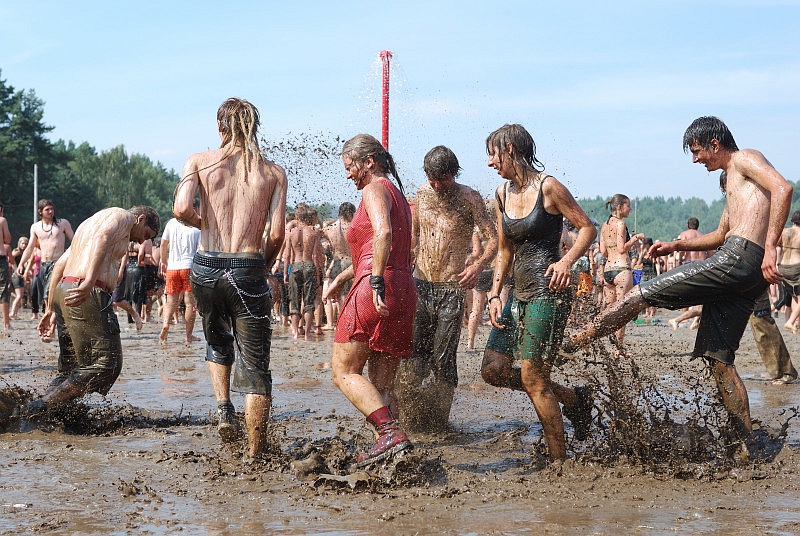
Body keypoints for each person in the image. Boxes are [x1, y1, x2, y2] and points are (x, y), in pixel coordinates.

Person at [564, 116, 793, 440]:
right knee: (718, 359)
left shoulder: (745, 158)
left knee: (640, 294)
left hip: (740, 257)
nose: (696, 159)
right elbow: (721, 233)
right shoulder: (732, 181)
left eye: (698, 151)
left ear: (715, 144)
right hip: (745, 269)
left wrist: (770, 246)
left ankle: (572, 341)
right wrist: (677, 244)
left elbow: (784, 188)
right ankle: (743, 442)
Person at [173, 97, 287, 462]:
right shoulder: (273, 172)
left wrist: (204, 223)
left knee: (217, 337)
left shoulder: (198, 161)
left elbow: (179, 210)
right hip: (248, 266)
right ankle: (255, 455)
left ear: (220, 128)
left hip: (205, 266)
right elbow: (277, 233)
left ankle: (224, 407)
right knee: (255, 365)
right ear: (254, 129)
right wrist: (262, 267)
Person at [480, 124, 597, 461]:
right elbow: (504, 250)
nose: (490, 163)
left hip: (549, 292)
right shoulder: (501, 195)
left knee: (533, 378)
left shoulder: (549, 188)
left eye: (493, 154)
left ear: (511, 150)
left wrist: (567, 262)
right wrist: (493, 294)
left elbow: (588, 227)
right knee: (493, 370)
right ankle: (573, 399)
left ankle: (559, 460)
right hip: (518, 295)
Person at [4, 206, 159, 421]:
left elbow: (61, 263)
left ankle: (45, 414)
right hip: (87, 292)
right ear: (140, 219)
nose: (143, 242)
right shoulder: (124, 217)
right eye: (146, 235)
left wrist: (51, 307)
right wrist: (88, 282)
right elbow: (103, 238)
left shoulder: (89, 223)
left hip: (65, 289)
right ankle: (31, 410)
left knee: (71, 367)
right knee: (107, 363)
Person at [323, 134, 416, 467]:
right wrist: (338, 278)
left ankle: (389, 432)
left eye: (350, 167)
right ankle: (393, 452)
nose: (349, 175)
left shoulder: (374, 188)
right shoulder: (400, 197)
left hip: (375, 287)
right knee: (382, 382)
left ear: (369, 162)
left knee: (343, 370)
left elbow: (383, 235)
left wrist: (374, 281)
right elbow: (377, 247)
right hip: (403, 288)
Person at [395, 145, 498, 432]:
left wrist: (477, 266)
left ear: (454, 173)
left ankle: (439, 421)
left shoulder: (470, 198)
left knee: (443, 358)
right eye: (433, 179)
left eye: (443, 179)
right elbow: (414, 234)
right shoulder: (422, 194)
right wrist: (408, 258)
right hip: (422, 285)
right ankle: (411, 420)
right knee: (413, 356)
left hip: (452, 289)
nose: (438, 186)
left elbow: (494, 239)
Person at [599, 194, 644, 355]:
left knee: (609, 311)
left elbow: (602, 251)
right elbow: (621, 248)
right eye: (628, 206)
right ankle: (618, 348)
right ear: (619, 207)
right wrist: (636, 238)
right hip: (621, 269)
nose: (630, 209)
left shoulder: (604, 226)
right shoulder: (620, 224)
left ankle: (591, 337)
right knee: (622, 312)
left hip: (608, 271)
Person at [17, 199, 74, 312]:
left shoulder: (63, 223)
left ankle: (49, 320)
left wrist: (68, 256)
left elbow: (75, 241)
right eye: (47, 209)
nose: (50, 211)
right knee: (44, 296)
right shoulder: (36, 227)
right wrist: (21, 264)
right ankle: (51, 318)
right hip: (43, 265)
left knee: (48, 293)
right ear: (40, 212)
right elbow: (30, 248)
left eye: (52, 209)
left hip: (57, 263)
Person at [158, 203, 201, 346]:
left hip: (172, 268)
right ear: (194, 210)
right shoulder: (197, 228)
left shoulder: (171, 223)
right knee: (190, 304)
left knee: (171, 301)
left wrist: (163, 262)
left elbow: (163, 244)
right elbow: (200, 251)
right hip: (189, 267)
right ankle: (188, 336)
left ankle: (165, 325)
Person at [283, 203, 321, 340]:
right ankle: (306, 334)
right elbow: (316, 256)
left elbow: (287, 255)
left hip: (296, 266)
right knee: (309, 302)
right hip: (309, 265)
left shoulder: (291, 233)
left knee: (295, 302)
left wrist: (285, 273)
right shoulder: (313, 232)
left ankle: (295, 333)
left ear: (297, 217)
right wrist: (318, 274)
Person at [667, 218, 707, 331]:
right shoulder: (703, 236)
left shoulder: (684, 234)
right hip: (702, 265)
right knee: (702, 294)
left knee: (686, 291)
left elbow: (682, 248)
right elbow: (709, 253)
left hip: (689, 264)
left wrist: (679, 260)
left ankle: (684, 318)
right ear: (697, 226)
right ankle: (694, 319)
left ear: (687, 225)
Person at [322, 202, 356, 330]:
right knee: (350, 293)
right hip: (352, 262)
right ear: (350, 213)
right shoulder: (354, 226)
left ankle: (342, 322)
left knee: (340, 295)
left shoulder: (330, 228)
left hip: (337, 262)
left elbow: (314, 234)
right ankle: (349, 322)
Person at [778, 211, 800, 333]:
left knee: (795, 296)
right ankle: (790, 322)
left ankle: (796, 323)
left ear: (792, 221)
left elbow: (776, 245)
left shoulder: (784, 232)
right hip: (796, 267)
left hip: (783, 267)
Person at [9, 236, 29, 319]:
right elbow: (9, 259)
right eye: (22, 243)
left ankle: (15, 314)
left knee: (19, 295)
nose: (24, 245)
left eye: (26, 244)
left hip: (20, 275)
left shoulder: (23, 253)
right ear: (19, 243)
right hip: (16, 275)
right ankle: (12, 313)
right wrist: (13, 269)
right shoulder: (16, 251)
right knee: (19, 295)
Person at [0, 202, 12, 332]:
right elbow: (8, 240)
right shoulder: (2, 220)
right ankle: (6, 323)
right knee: (3, 289)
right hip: (0, 258)